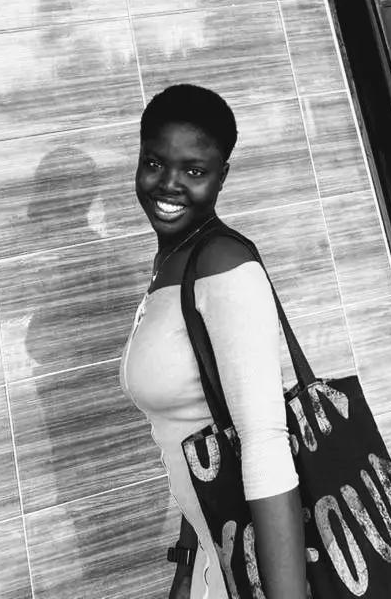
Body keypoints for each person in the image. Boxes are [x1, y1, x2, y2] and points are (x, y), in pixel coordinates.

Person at [120, 84, 307, 599]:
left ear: (222, 176)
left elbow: (263, 442)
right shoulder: (171, 264)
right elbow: (203, 438)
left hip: (257, 573)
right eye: (154, 163)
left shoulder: (224, 264)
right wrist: (188, 565)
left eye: (194, 171)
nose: (169, 184)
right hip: (215, 556)